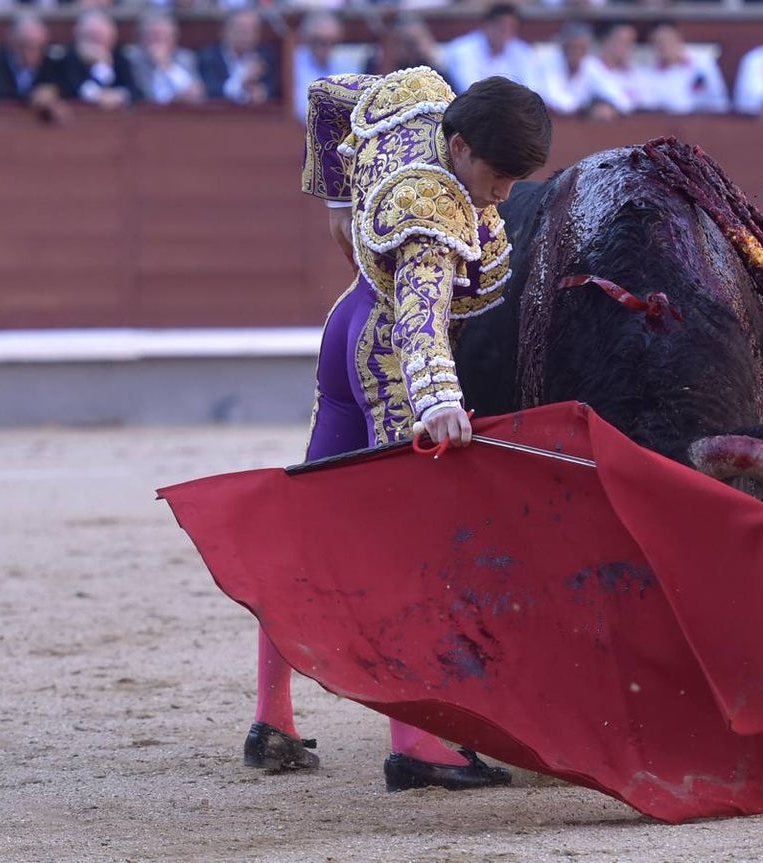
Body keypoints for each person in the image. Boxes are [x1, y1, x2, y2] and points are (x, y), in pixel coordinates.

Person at [243, 69, 553, 792]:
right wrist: (439, 398)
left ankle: (272, 718)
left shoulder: (417, 102)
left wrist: (338, 203)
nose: (502, 193)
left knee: (308, 526)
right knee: (416, 548)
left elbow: (326, 96)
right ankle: (418, 744)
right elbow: (419, 319)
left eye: (517, 179)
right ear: (462, 144)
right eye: (497, 175)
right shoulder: (435, 215)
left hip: (344, 326)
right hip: (385, 356)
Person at [49, 9, 142, 109]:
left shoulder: (120, 59)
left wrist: (117, 96)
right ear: (78, 36)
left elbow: (135, 91)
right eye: (91, 36)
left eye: (100, 36)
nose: (96, 42)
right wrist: (98, 95)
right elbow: (71, 91)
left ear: (112, 38)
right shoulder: (66, 60)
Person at [443, 3, 539, 94]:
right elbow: (469, 90)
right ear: (486, 25)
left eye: (511, 28)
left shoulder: (523, 52)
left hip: (513, 107)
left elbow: (531, 89)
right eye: (501, 27)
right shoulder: (461, 49)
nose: (505, 33)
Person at [638, 20, 729, 114]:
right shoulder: (648, 77)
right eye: (658, 42)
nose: (664, 45)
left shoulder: (703, 63)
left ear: (679, 38)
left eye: (668, 39)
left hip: (704, 122)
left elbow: (719, 100)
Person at [197, 8, 280, 105]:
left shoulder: (265, 56)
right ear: (225, 31)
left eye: (253, 30)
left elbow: (274, 88)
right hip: (218, 116)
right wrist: (242, 78)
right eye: (242, 29)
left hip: (255, 116)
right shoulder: (208, 56)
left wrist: (263, 92)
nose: (247, 35)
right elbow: (210, 91)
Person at [125, 9, 204, 106]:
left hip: (183, 114)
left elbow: (197, 94)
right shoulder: (132, 58)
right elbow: (146, 96)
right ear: (141, 38)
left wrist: (168, 67)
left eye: (164, 36)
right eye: (153, 36)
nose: (159, 41)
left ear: (174, 38)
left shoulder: (185, 57)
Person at [290, 10, 352, 121]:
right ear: (308, 39)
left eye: (332, 42)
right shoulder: (294, 62)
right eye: (321, 42)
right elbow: (300, 108)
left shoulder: (344, 66)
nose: (327, 48)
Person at [0, 12, 61, 105]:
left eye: (40, 47)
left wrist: (54, 93)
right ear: (12, 42)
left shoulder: (53, 67)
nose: (34, 53)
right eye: (27, 45)